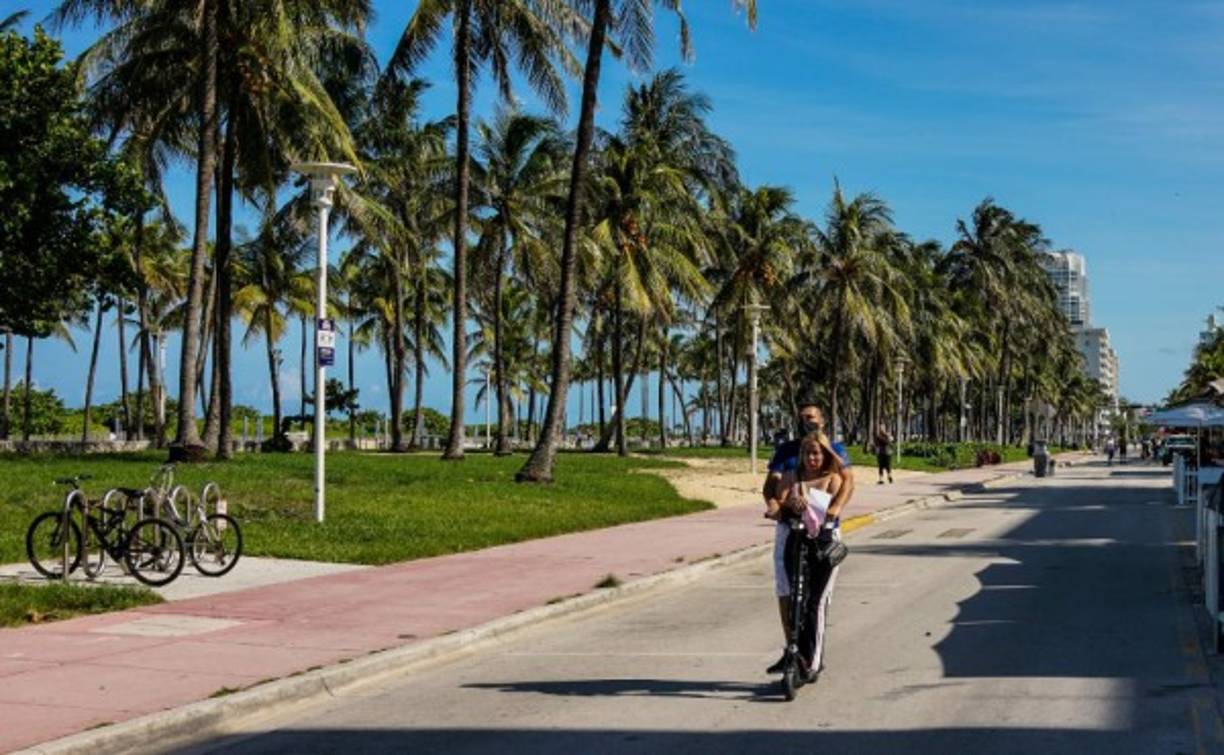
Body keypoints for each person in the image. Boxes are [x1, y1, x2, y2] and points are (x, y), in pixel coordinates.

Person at [761, 401, 854, 676]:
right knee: (786, 590)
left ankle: (811, 656)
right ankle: (793, 649)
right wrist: (776, 505)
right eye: (802, 418)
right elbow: (773, 486)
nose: (807, 422)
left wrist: (834, 510)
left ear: (822, 420)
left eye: (812, 418)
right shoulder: (787, 452)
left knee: (815, 599)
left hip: (822, 531)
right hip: (791, 529)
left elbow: (847, 481)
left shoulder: (833, 451)